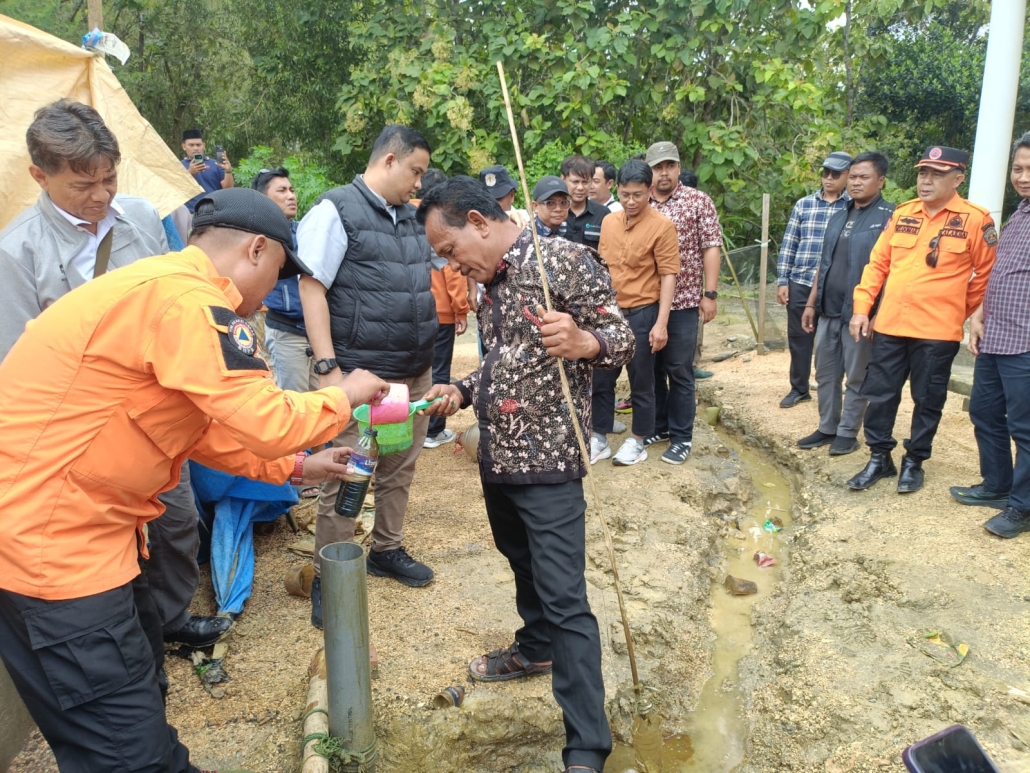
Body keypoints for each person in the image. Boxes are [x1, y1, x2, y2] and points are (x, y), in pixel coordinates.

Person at [0, 187, 389, 773]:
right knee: (126, 751)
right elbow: (268, 420)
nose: (269, 297)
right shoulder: (188, 301)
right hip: (54, 553)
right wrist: (345, 394)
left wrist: (295, 467)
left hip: (89, 539)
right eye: (277, 275)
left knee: (137, 694)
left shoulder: (159, 287)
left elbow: (198, 429)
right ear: (257, 250)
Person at [416, 176, 633, 773]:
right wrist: (462, 390)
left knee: (565, 599)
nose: (452, 266)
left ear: (478, 223)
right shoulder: (489, 283)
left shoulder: (562, 260)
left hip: (551, 462)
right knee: (521, 562)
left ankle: (586, 747)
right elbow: (504, 360)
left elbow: (622, 339)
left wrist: (584, 341)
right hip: (500, 455)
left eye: (451, 250)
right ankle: (536, 649)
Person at [0, 99, 228, 650]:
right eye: (84, 185)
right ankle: (130, 643)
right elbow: (16, 363)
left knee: (176, 522)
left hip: (155, 414)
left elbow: (176, 294)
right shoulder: (18, 250)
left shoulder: (140, 218)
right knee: (107, 542)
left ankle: (170, 619)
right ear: (40, 176)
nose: (101, 195)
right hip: (80, 434)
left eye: (109, 179)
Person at [299, 124, 437, 626]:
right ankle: (329, 573)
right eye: (415, 171)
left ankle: (386, 548)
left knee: (400, 466)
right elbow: (311, 286)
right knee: (348, 473)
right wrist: (327, 367)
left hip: (413, 371)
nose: (418, 183)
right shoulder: (335, 209)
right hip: (361, 376)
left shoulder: (413, 217)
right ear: (389, 160)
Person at [847, 146, 997, 493]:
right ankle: (879, 457)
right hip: (890, 325)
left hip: (937, 331)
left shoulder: (976, 219)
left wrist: (956, 309)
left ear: (957, 179)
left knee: (928, 399)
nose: (926, 181)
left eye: (936, 175)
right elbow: (878, 264)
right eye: (922, 173)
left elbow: (987, 275)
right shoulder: (903, 213)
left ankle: (914, 461)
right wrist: (861, 308)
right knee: (880, 395)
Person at [951, 132, 1030, 537]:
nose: (1023, 177)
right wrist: (979, 315)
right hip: (996, 336)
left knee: (1025, 428)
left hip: (1025, 343)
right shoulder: (1019, 214)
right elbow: (1000, 273)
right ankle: (998, 485)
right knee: (984, 411)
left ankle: (1022, 507)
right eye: (1018, 168)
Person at [797, 152, 895, 456]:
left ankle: (847, 432)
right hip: (827, 310)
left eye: (864, 177)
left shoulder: (890, 217)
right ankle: (828, 426)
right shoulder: (839, 214)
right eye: (852, 177)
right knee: (825, 372)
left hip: (860, 314)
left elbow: (892, 270)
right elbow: (823, 263)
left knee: (856, 375)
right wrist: (811, 303)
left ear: (880, 181)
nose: (856, 182)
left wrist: (877, 314)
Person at [591, 159, 679, 466]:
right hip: (608, 313)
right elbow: (601, 267)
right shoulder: (609, 222)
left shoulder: (663, 227)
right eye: (625, 194)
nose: (630, 201)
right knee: (601, 377)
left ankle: (638, 440)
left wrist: (661, 324)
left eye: (638, 195)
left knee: (642, 380)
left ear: (650, 191)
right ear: (617, 189)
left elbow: (668, 275)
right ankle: (598, 437)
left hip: (643, 313)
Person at [644, 141, 723, 465]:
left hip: (685, 301)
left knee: (679, 370)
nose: (664, 173)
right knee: (652, 371)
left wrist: (710, 294)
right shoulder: (640, 201)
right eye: (658, 167)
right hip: (646, 302)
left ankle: (681, 437)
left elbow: (711, 247)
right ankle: (659, 425)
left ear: (678, 168)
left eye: (670, 166)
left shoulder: (698, 201)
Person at [776, 151, 852, 407]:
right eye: (825, 173)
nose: (829, 178)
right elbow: (790, 243)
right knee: (799, 338)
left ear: (848, 176)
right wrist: (783, 280)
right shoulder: (804, 204)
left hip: (835, 285)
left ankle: (834, 387)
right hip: (801, 279)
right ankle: (799, 388)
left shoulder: (852, 207)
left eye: (835, 174)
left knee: (836, 337)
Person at [420, 168, 471, 448]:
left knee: (419, 369)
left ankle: (417, 427)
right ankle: (434, 430)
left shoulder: (405, 216)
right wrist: (461, 309)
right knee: (439, 369)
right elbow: (452, 272)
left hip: (416, 312)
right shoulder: (441, 221)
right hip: (441, 310)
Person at [180, 128, 234, 212]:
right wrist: (189, 173)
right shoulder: (179, 166)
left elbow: (228, 189)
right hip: (189, 212)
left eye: (198, 145)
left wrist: (228, 171)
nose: (195, 148)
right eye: (191, 145)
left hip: (213, 211)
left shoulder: (216, 164)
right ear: (184, 146)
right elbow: (173, 190)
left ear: (204, 146)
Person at [561, 154, 609, 248]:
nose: (580, 187)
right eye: (575, 182)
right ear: (563, 179)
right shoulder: (554, 211)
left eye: (585, 182)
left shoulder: (603, 214)